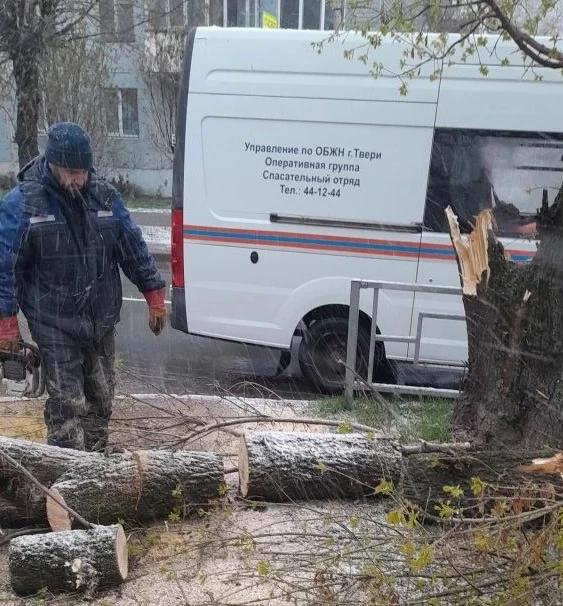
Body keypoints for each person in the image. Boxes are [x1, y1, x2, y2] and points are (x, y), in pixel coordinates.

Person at [0, 122, 167, 451]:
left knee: (101, 398)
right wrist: (6, 323)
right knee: (68, 403)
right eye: (72, 172)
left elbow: (132, 246)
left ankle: (94, 464)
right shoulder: (24, 204)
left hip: (99, 319)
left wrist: (154, 294)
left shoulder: (104, 198)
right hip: (53, 320)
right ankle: (66, 467)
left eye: (83, 172)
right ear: (53, 164)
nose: (79, 179)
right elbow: (4, 266)